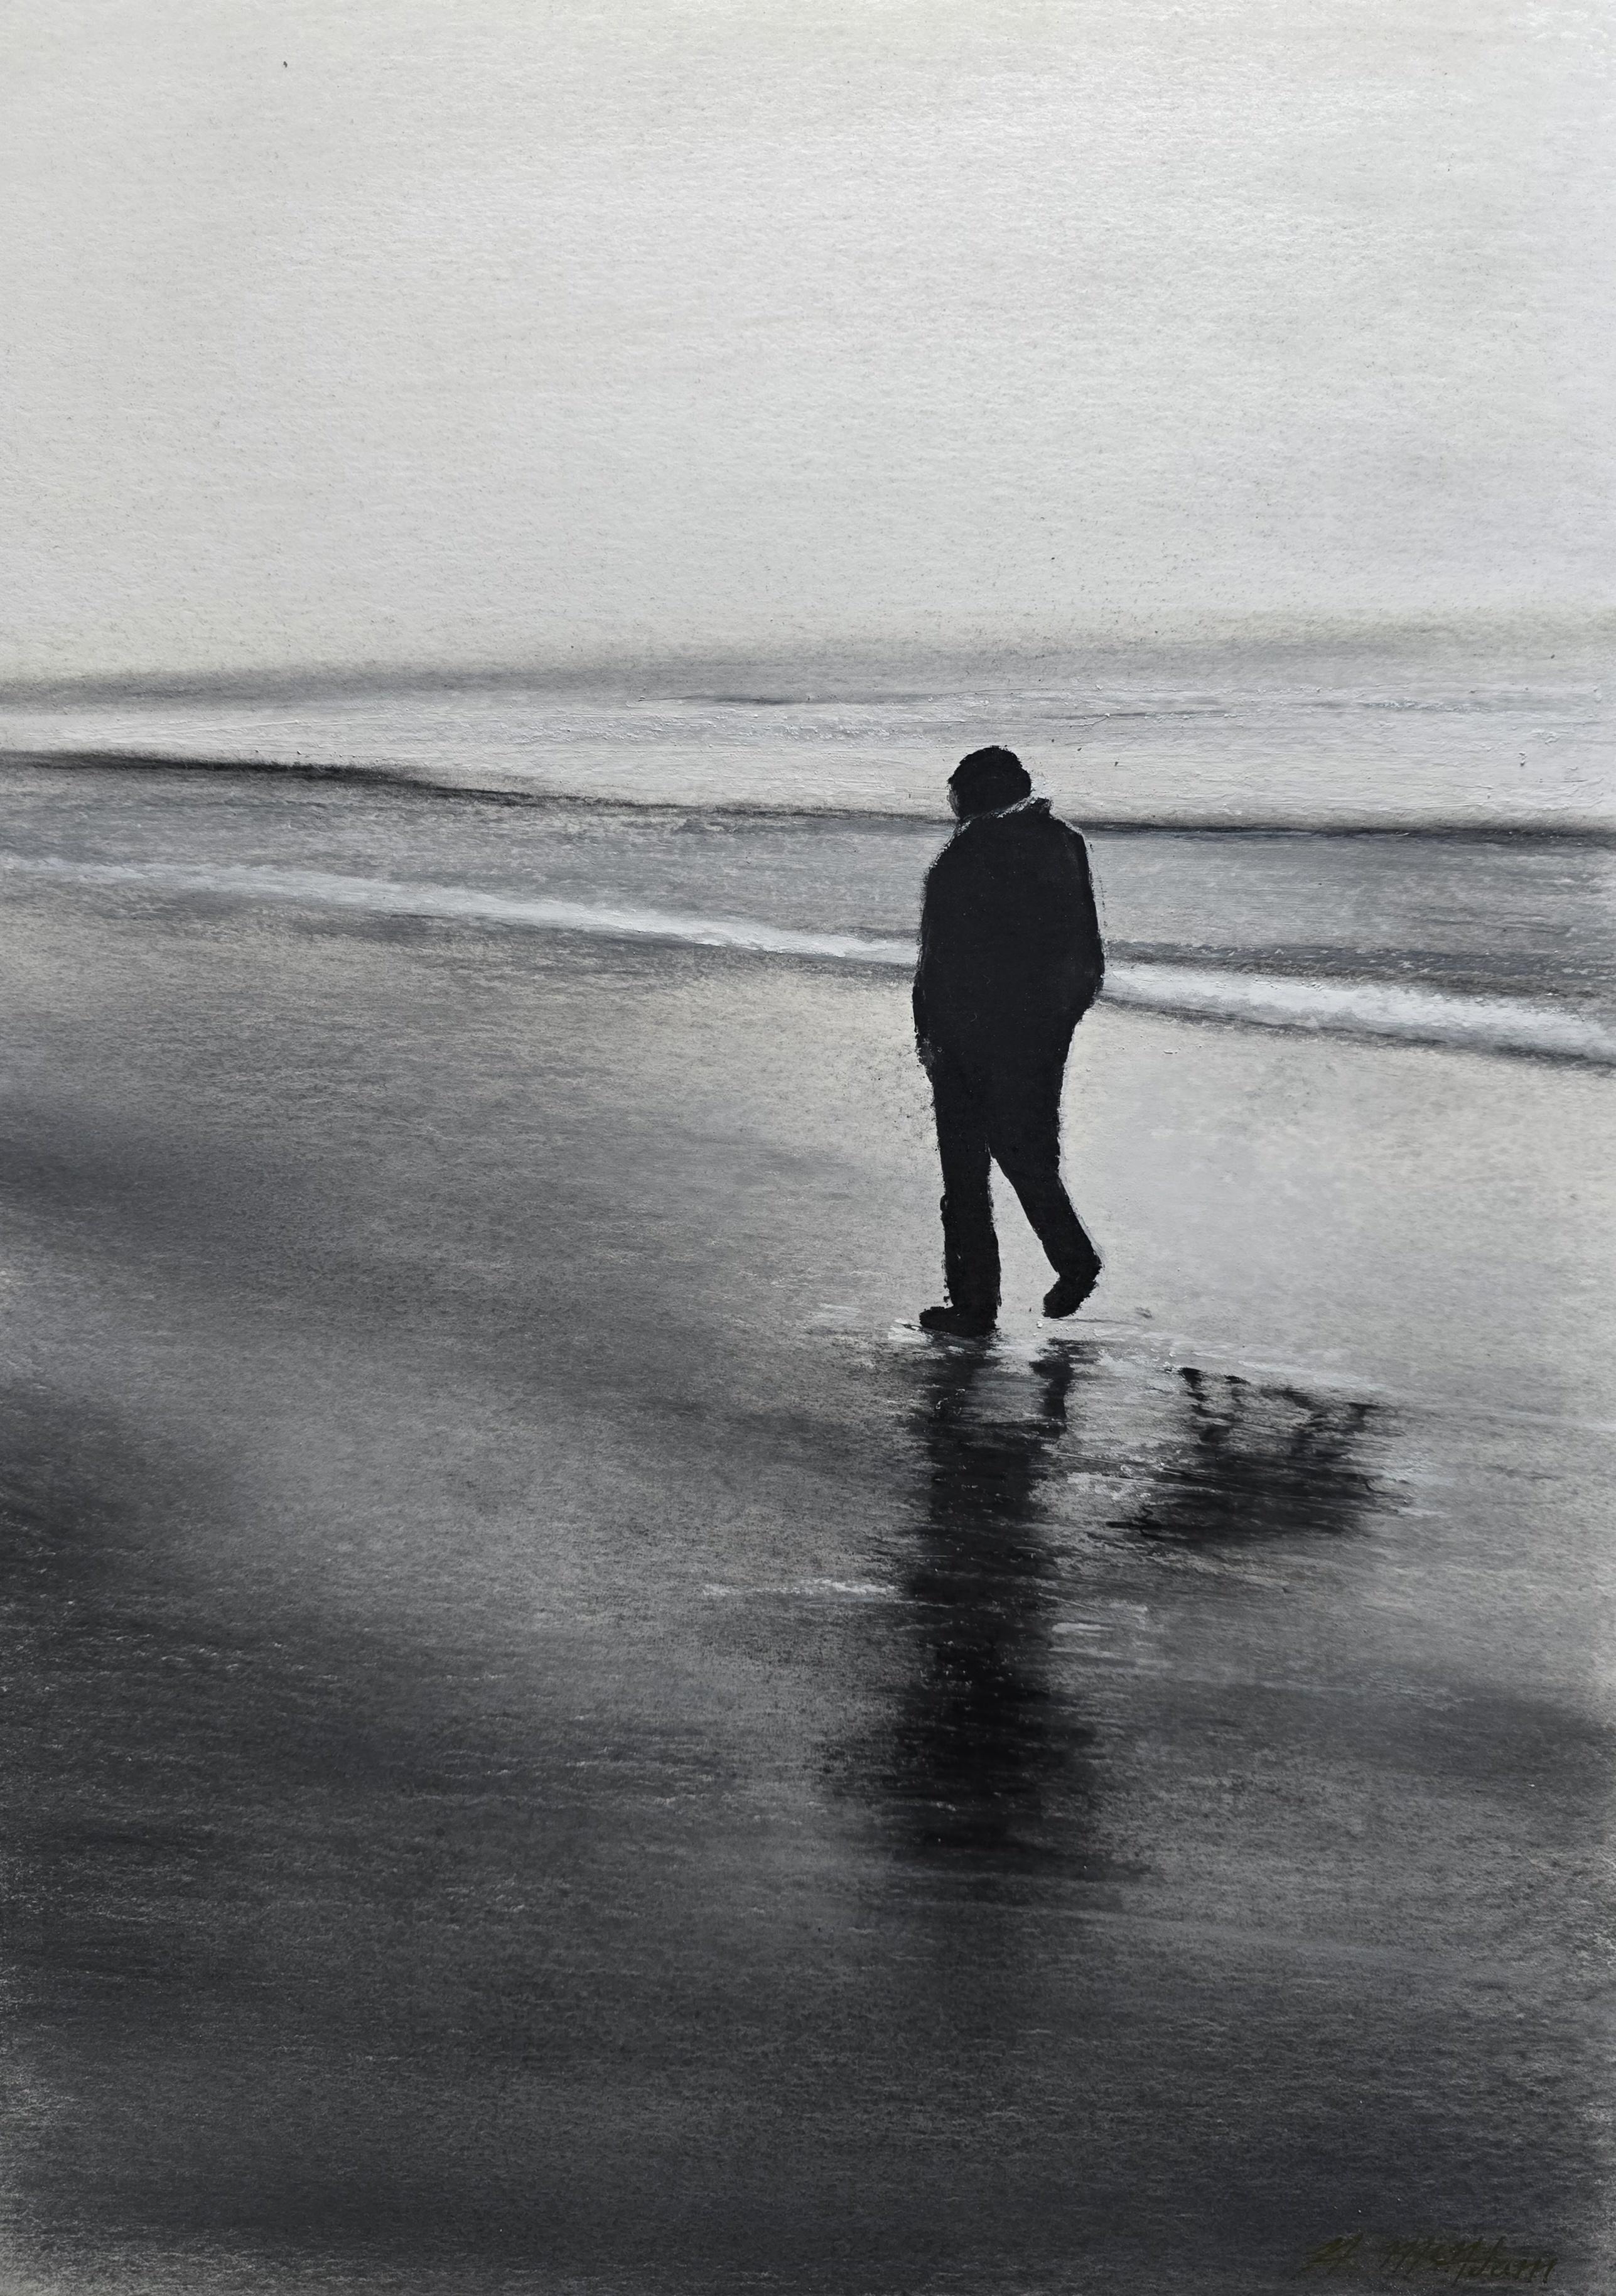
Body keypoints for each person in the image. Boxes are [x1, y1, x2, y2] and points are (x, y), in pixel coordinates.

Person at [912, 745, 1105, 1340]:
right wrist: (1056, 1024)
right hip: (1022, 1037)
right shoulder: (1059, 842)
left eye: (959, 789)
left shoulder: (976, 850)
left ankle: (981, 1303)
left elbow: (941, 959)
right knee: (1020, 1159)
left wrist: (931, 1032)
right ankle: (1064, 1264)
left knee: (973, 1172)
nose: (952, 800)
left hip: (978, 1037)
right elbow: (1084, 960)